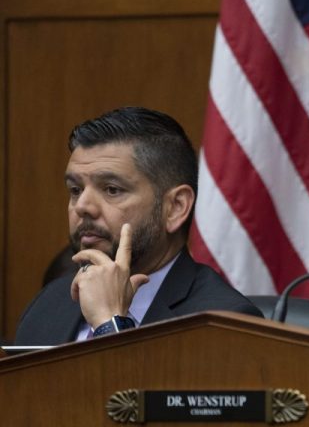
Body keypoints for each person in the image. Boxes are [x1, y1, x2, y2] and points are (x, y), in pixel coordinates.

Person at [15, 107, 262, 345]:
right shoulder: (49, 303)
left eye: (112, 189)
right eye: (75, 190)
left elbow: (127, 390)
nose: (82, 206)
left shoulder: (223, 322)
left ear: (175, 207)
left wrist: (109, 324)